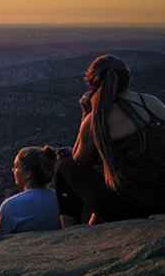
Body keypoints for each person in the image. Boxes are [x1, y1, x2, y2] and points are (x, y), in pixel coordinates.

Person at [55, 54, 165, 226]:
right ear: (127, 79)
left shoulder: (96, 120)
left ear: (93, 84)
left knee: (64, 166)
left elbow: (79, 161)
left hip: (129, 207)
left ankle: (72, 232)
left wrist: (85, 116)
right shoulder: (152, 103)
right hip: (162, 197)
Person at [0, 146, 60, 235]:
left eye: (16, 166)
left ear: (28, 174)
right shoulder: (59, 198)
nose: (13, 170)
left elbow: (1, 241)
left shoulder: (10, 206)